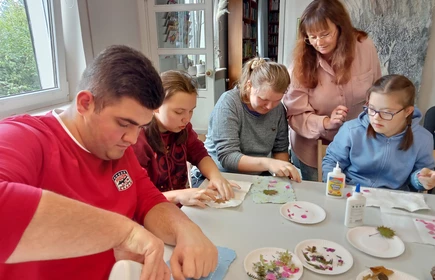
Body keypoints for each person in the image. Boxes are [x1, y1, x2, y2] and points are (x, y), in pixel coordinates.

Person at [0, 45, 217, 280]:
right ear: (85, 103)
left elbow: (148, 200)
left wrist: (186, 230)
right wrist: (125, 234)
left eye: (140, 127)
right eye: (124, 124)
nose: (132, 138)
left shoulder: (116, 149)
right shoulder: (23, 136)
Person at [283, 0, 382, 181]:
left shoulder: (365, 47)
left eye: (325, 34)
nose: (319, 42)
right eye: (312, 37)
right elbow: (295, 116)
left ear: (340, 27)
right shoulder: (300, 65)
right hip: (312, 151)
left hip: (357, 149)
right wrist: (326, 122)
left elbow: (378, 92)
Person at [132, 70, 238, 208]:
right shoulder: (137, 140)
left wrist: (215, 176)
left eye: (191, 110)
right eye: (179, 112)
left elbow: (199, 153)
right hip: (151, 211)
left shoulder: (182, 127)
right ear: (156, 106)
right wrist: (178, 195)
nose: (187, 118)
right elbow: (137, 195)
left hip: (180, 206)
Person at [322, 74, 435, 191]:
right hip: (352, 193)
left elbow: (419, 176)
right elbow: (332, 162)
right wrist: (337, 188)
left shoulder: (423, 139)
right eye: (371, 109)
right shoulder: (351, 130)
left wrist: (421, 179)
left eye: (386, 112)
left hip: (394, 200)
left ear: (407, 111)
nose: (376, 118)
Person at [204, 57, 301, 182]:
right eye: (263, 99)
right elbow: (227, 157)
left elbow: (280, 149)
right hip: (221, 175)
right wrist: (269, 163)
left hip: (258, 175)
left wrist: (282, 177)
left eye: (277, 100)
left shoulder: (278, 109)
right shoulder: (229, 103)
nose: (270, 106)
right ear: (249, 85)